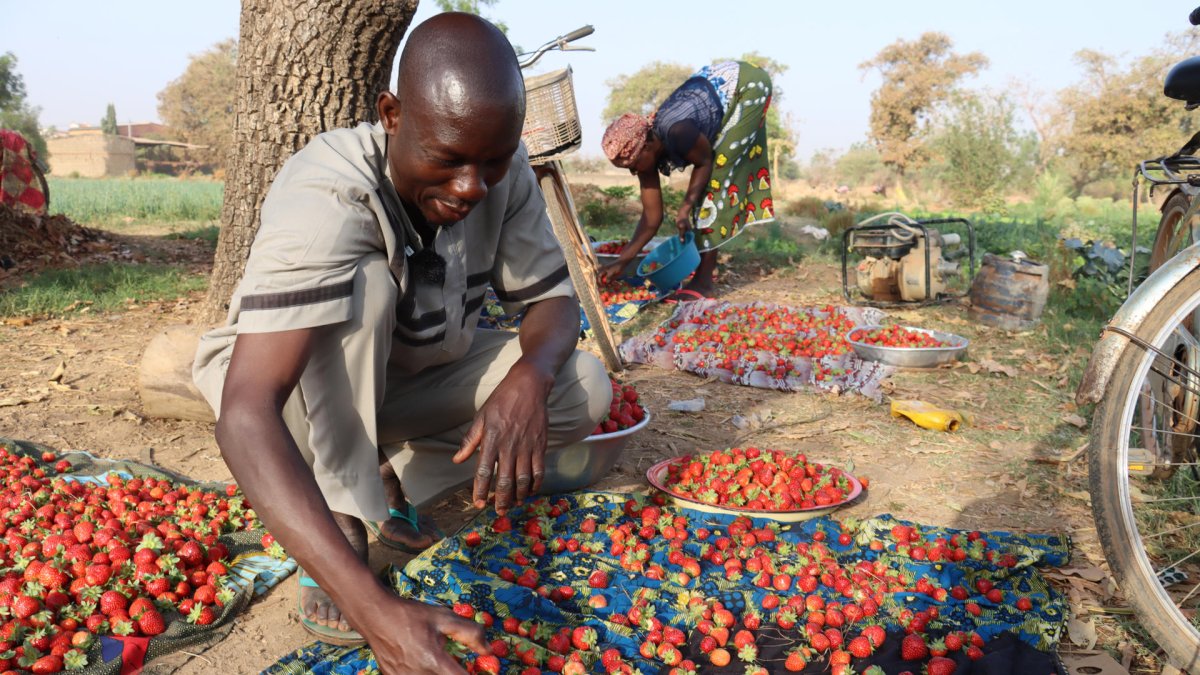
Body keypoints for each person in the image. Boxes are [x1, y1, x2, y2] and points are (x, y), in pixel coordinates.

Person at [191, 13, 609, 674]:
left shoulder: (505, 171)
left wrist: (531, 371)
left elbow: (554, 304)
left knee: (582, 385)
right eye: (448, 158)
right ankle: (340, 509)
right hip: (288, 393)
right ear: (391, 114)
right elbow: (246, 413)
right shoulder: (329, 189)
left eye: (491, 162)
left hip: (403, 380)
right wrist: (377, 614)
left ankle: (383, 480)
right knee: (363, 283)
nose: (472, 186)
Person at [599, 61, 775, 301]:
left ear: (648, 145)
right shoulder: (644, 150)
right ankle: (704, 265)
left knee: (714, 185)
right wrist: (622, 261)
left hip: (747, 86)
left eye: (633, 165)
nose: (633, 172)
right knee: (704, 190)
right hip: (723, 91)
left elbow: (705, 162)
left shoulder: (677, 131)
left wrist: (685, 207)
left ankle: (704, 282)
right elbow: (652, 218)